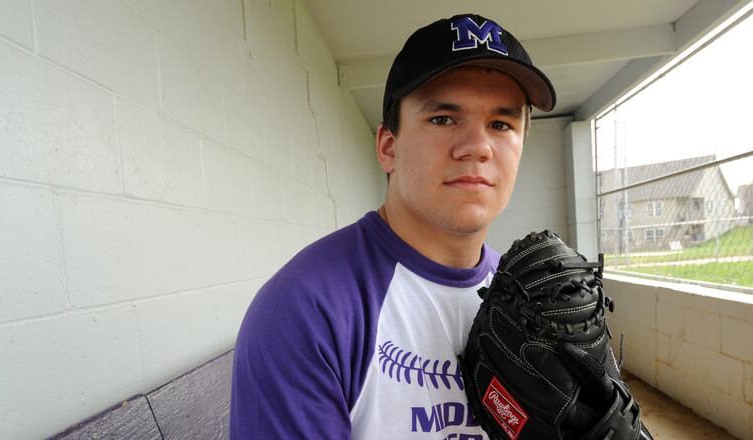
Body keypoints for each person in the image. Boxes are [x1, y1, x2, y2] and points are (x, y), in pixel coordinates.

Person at [230, 13, 556, 439]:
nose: (477, 147)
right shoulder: (305, 310)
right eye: (443, 118)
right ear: (388, 148)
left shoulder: (530, 300)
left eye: (501, 124)